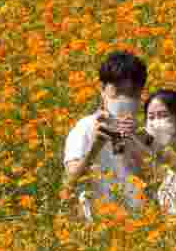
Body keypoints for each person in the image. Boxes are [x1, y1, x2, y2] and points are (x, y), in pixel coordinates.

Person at [61, 51, 152, 222]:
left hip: (139, 225)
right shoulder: (85, 128)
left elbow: (158, 180)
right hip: (98, 225)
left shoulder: (144, 134)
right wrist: (96, 145)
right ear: (102, 90)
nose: (124, 99)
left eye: (132, 93)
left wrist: (137, 140)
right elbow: (70, 179)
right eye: (117, 92)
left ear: (140, 95)